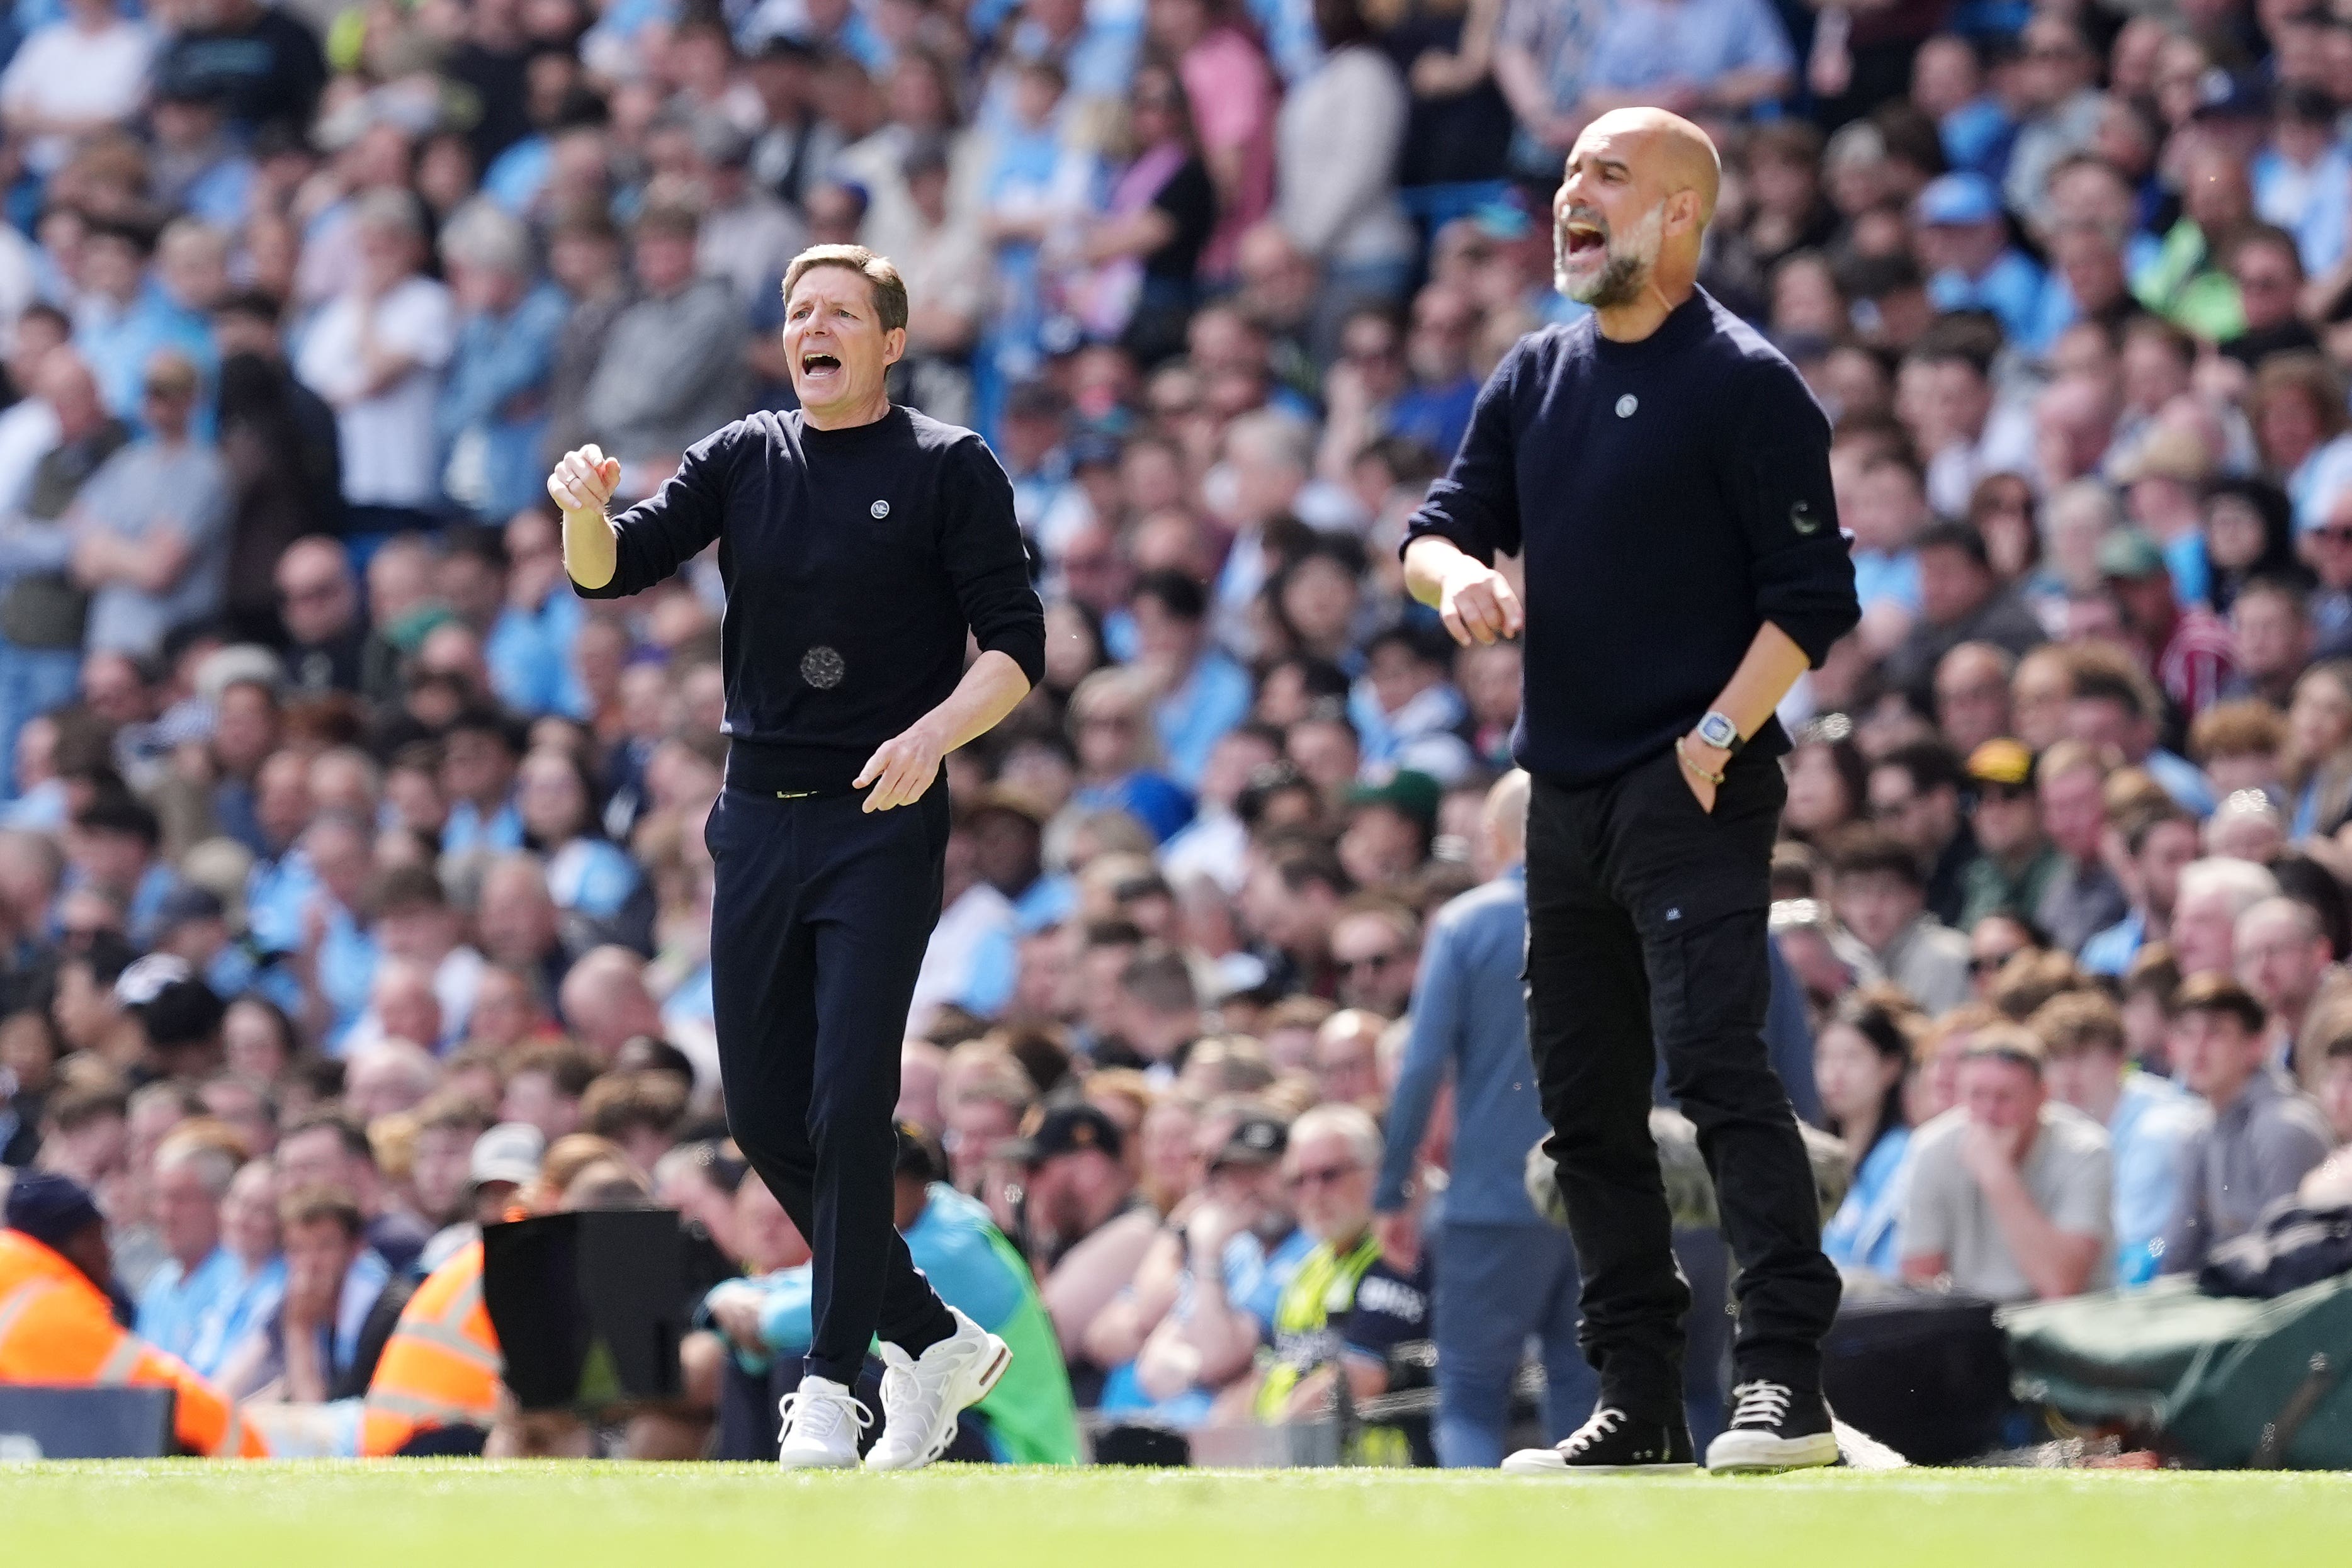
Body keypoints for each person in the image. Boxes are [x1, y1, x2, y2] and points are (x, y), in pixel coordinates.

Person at [1403, 110, 1857, 1475]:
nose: (1571, 198)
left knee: (1720, 1077)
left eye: (1605, 176)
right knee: (1583, 1106)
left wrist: (1715, 733)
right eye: (1566, 177)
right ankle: (1641, 1398)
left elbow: (1811, 601)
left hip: (1693, 785)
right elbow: (1433, 531)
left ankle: (1783, 1383)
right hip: (1562, 793)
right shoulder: (1533, 373)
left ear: (1676, 215)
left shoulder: (1746, 381)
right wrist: (1460, 581)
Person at [549, 243, 1044, 1472]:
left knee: (847, 1100)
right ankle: (926, 1336)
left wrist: (934, 734)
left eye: (838, 312)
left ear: (887, 339)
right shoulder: (742, 456)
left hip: (880, 810)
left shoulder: (948, 466)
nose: (811, 328)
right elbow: (618, 568)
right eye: (795, 312)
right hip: (754, 816)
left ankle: (832, 1384)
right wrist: (579, 516)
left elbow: (1015, 647)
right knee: (767, 1115)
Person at [1376, 770, 1595, 1467]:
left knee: (1469, 1393)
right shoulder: (1615, 912)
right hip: (1599, 1196)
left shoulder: (1467, 922)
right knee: (1583, 1391)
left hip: (1491, 1199)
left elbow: (1419, 1066)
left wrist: (1391, 1189)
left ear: (1498, 836)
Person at [701, 1124, 1082, 1465]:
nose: (856, 1198)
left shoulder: (951, 1249)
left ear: (913, 1184)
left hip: (1011, 1446)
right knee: (755, 1359)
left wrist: (743, 1309)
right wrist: (730, 1299)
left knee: (797, 1362)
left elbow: (796, 1318)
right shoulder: (929, 1221)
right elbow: (804, 1288)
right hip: (960, 1417)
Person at [0, 1170, 267, 1456]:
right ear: (72, 1241)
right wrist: (254, 1452)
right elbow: (178, 1403)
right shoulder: (47, 1311)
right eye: (98, 1236)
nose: (108, 1252)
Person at [1252, 1103, 1431, 1464]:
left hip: (1382, 1483)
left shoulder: (1399, 1256)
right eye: (1298, 1181)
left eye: (1329, 1175)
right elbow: (1271, 1369)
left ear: (1377, 1174)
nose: (1313, 1194)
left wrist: (1262, 1454)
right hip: (1309, 1472)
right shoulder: (1308, 1268)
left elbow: (1360, 1379)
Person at [1899, 1027, 2112, 1304]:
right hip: (1966, 1318)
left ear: (2042, 1096)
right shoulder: (1931, 1149)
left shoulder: (2086, 1152)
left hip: (2064, 1325)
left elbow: (2061, 1284)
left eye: (2004, 1097)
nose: (1989, 1112)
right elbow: (1921, 1281)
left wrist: (1997, 1176)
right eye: (1977, 1095)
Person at [2157, 975, 2335, 1275]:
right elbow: (2180, 1240)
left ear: (2256, 1045)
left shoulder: (2282, 1127)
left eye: (2215, 1033)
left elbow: (2297, 1252)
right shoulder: (2197, 1132)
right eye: (2187, 1033)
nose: (2198, 1049)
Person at [2028, 990, 2198, 1287]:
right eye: (2056, 1059)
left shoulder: (2160, 1129)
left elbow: (2131, 1250)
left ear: (2119, 1058)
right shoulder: (2059, 1128)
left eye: (2080, 1056)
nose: (2067, 1074)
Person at [1813, 993, 1915, 1279]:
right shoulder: (1809, 1156)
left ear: (1890, 1067)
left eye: (1852, 1057)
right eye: (1825, 1057)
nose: (1835, 1072)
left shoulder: (1905, 1156)